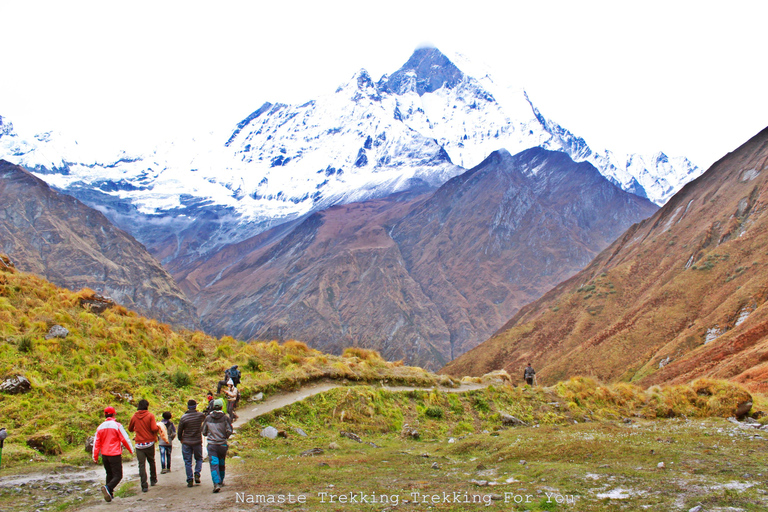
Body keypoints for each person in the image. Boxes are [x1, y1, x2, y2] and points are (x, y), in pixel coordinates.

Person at [93, 406, 133, 502]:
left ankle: (109, 494)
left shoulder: (100, 427)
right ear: (114, 414)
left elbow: (96, 443)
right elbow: (125, 439)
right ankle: (108, 487)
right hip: (114, 454)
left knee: (109, 474)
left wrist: (95, 456)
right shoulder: (117, 425)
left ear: (105, 415)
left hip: (104, 455)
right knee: (118, 475)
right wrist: (131, 450)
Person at [128, 399, 160, 492]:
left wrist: (137, 429)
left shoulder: (134, 416)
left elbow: (130, 429)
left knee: (141, 465)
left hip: (139, 444)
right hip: (149, 443)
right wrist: (158, 428)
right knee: (151, 461)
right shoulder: (150, 415)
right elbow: (154, 428)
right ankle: (153, 479)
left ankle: (144, 485)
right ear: (147, 406)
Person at [202, 398, 233, 493]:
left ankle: (216, 483)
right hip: (222, 444)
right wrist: (225, 436)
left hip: (212, 445)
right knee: (221, 462)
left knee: (214, 464)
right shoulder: (225, 418)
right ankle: (221, 481)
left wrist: (210, 435)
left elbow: (204, 432)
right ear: (222, 407)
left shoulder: (208, 418)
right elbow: (229, 430)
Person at [177, 399, 206, 487]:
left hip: (186, 442)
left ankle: (190, 479)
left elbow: (179, 431)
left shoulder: (183, 417)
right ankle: (197, 473)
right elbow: (206, 419)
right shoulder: (200, 416)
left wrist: (180, 439)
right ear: (195, 406)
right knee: (199, 459)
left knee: (187, 461)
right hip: (197, 441)